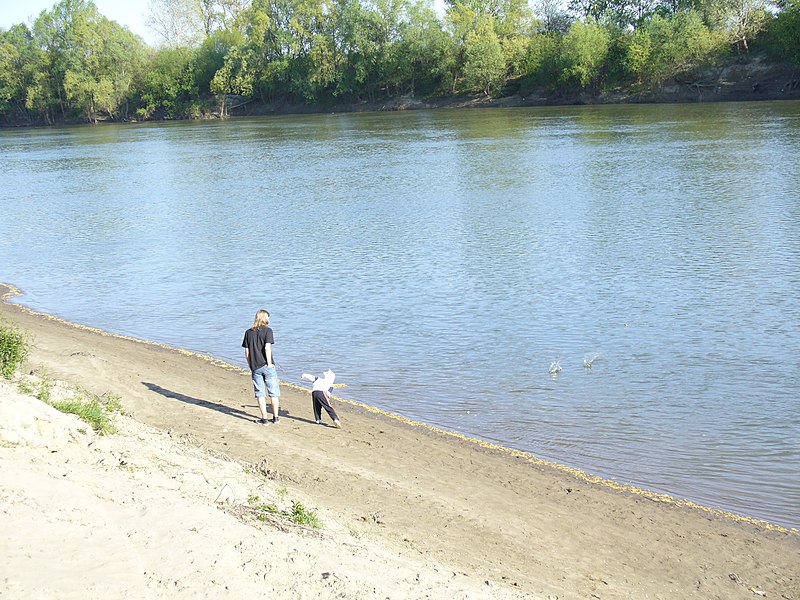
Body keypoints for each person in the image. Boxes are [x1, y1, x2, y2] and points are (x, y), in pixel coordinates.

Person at [242, 309, 281, 425]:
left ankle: (264, 419)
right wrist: (269, 364)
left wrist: (250, 365)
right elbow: (267, 348)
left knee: (260, 394)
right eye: (268, 317)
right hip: (267, 366)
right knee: (273, 393)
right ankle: (276, 417)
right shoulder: (268, 331)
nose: (269, 319)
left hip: (255, 367)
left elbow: (247, 352)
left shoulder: (248, 332)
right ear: (265, 318)